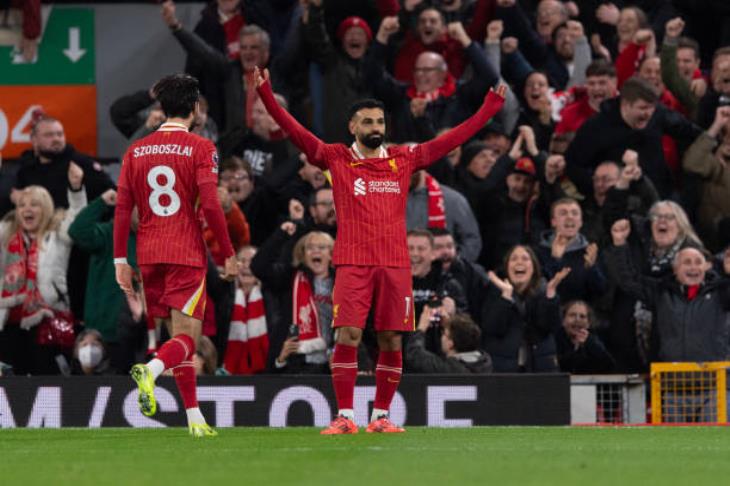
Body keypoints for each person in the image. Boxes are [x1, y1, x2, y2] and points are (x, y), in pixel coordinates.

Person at [255, 66, 505, 434]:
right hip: (353, 262)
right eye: (367, 121)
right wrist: (264, 95)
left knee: (391, 339)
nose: (375, 126)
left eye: (379, 120)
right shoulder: (335, 157)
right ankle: (345, 416)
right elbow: (296, 132)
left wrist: (488, 110)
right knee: (348, 335)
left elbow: (449, 142)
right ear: (353, 127)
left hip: (394, 265)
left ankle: (381, 416)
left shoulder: (403, 159)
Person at [113, 74, 238, 438]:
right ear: (196, 109)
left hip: (148, 254)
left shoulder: (136, 150)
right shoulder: (202, 148)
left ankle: (194, 418)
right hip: (184, 250)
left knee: (175, 336)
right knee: (189, 338)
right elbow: (212, 205)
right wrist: (228, 253)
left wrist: (121, 260)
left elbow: (122, 209)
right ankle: (150, 371)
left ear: (161, 108)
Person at [406, 311, 492, 373]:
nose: (442, 336)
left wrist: (421, 327)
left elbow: (414, 354)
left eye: (444, 334)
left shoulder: (450, 369)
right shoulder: (485, 361)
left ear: (451, 344)